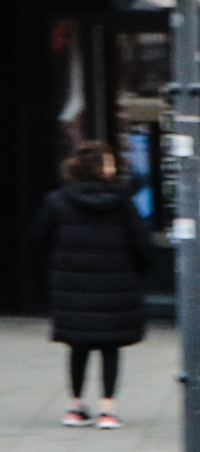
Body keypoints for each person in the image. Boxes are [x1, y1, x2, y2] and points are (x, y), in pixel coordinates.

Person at [31, 140, 153, 430]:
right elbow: (141, 244)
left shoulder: (57, 201)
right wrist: (139, 272)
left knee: (78, 345)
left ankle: (75, 407)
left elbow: (37, 239)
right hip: (115, 286)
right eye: (110, 163)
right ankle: (108, 410)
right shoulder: (122, 203)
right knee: (110, 347)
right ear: (101, 169)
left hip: (72, 286)